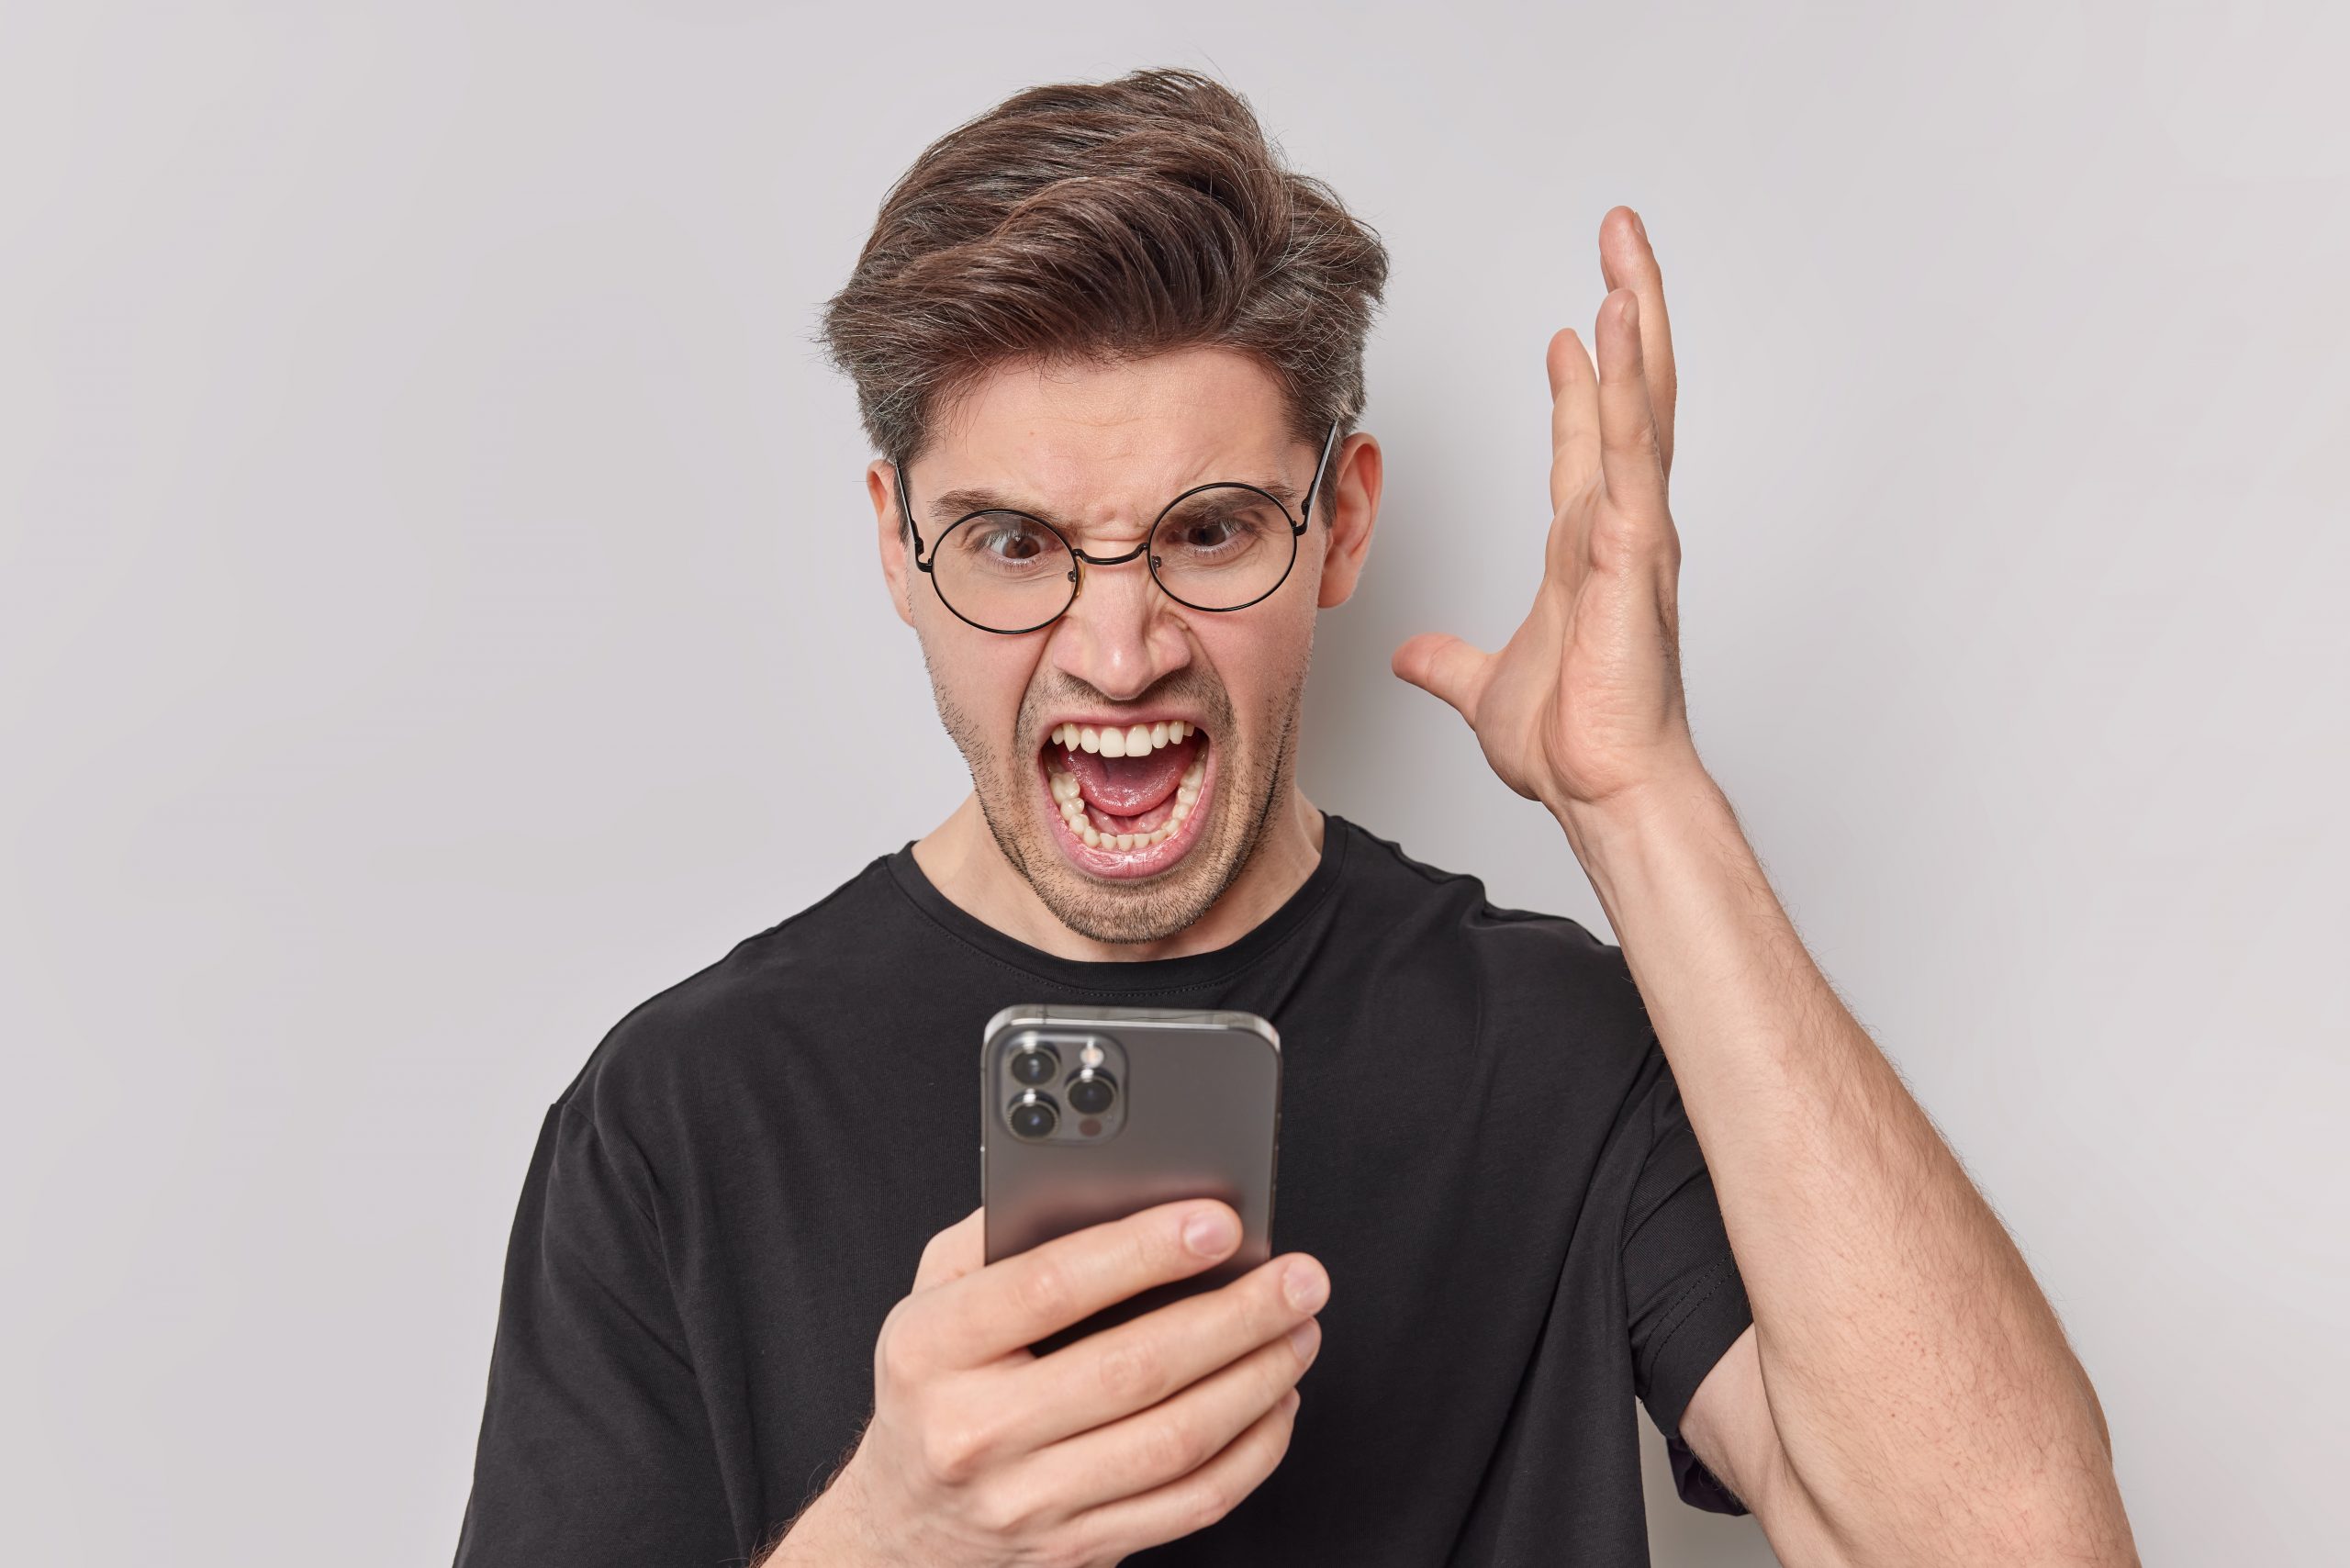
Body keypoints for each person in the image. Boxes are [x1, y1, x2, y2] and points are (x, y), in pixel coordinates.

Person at [452, 67, 2137, 1567]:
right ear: (898, 546)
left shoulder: (1559, 1049)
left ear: (1340, 528)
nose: (1118, 652)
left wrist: (1639, 798)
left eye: (1207, 529)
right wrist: (902, 1540)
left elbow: (2021, 1548)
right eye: (1016, 544)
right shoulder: (676, 1118)